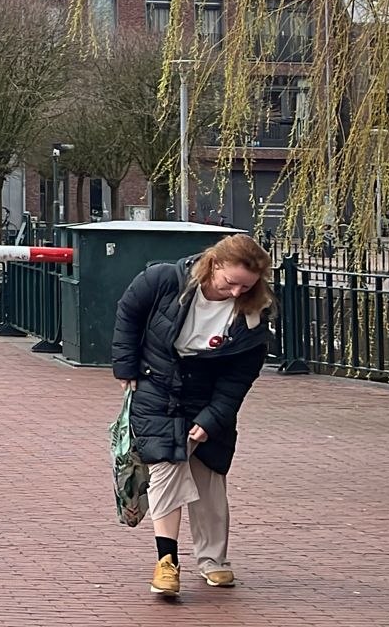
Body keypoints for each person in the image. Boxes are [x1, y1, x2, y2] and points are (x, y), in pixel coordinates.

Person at [112, 233, 275, 599]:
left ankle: (213, 560)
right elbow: (129, 313)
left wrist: (212, 418)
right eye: (230, 282)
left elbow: (239, 377)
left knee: (209, 478)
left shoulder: (251, 315)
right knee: (166, 470)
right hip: (159, 386)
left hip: (208, 391)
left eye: (246, 286)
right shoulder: (164, 280)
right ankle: (166, 562)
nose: (236, 292)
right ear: (213, 264)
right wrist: (125, 367)